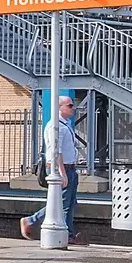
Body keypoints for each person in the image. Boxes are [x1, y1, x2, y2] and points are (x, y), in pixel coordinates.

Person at [22, 93, 81, 244]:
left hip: (70, 167)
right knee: (63, 203)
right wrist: (62, 173)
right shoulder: (55, 126)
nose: (72, 108)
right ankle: (66, 234)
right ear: (60, 108)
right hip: (63, 168)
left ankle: (34, 221)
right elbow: (57, 151)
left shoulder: (65, 124)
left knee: (69, 202)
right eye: (69, 105)